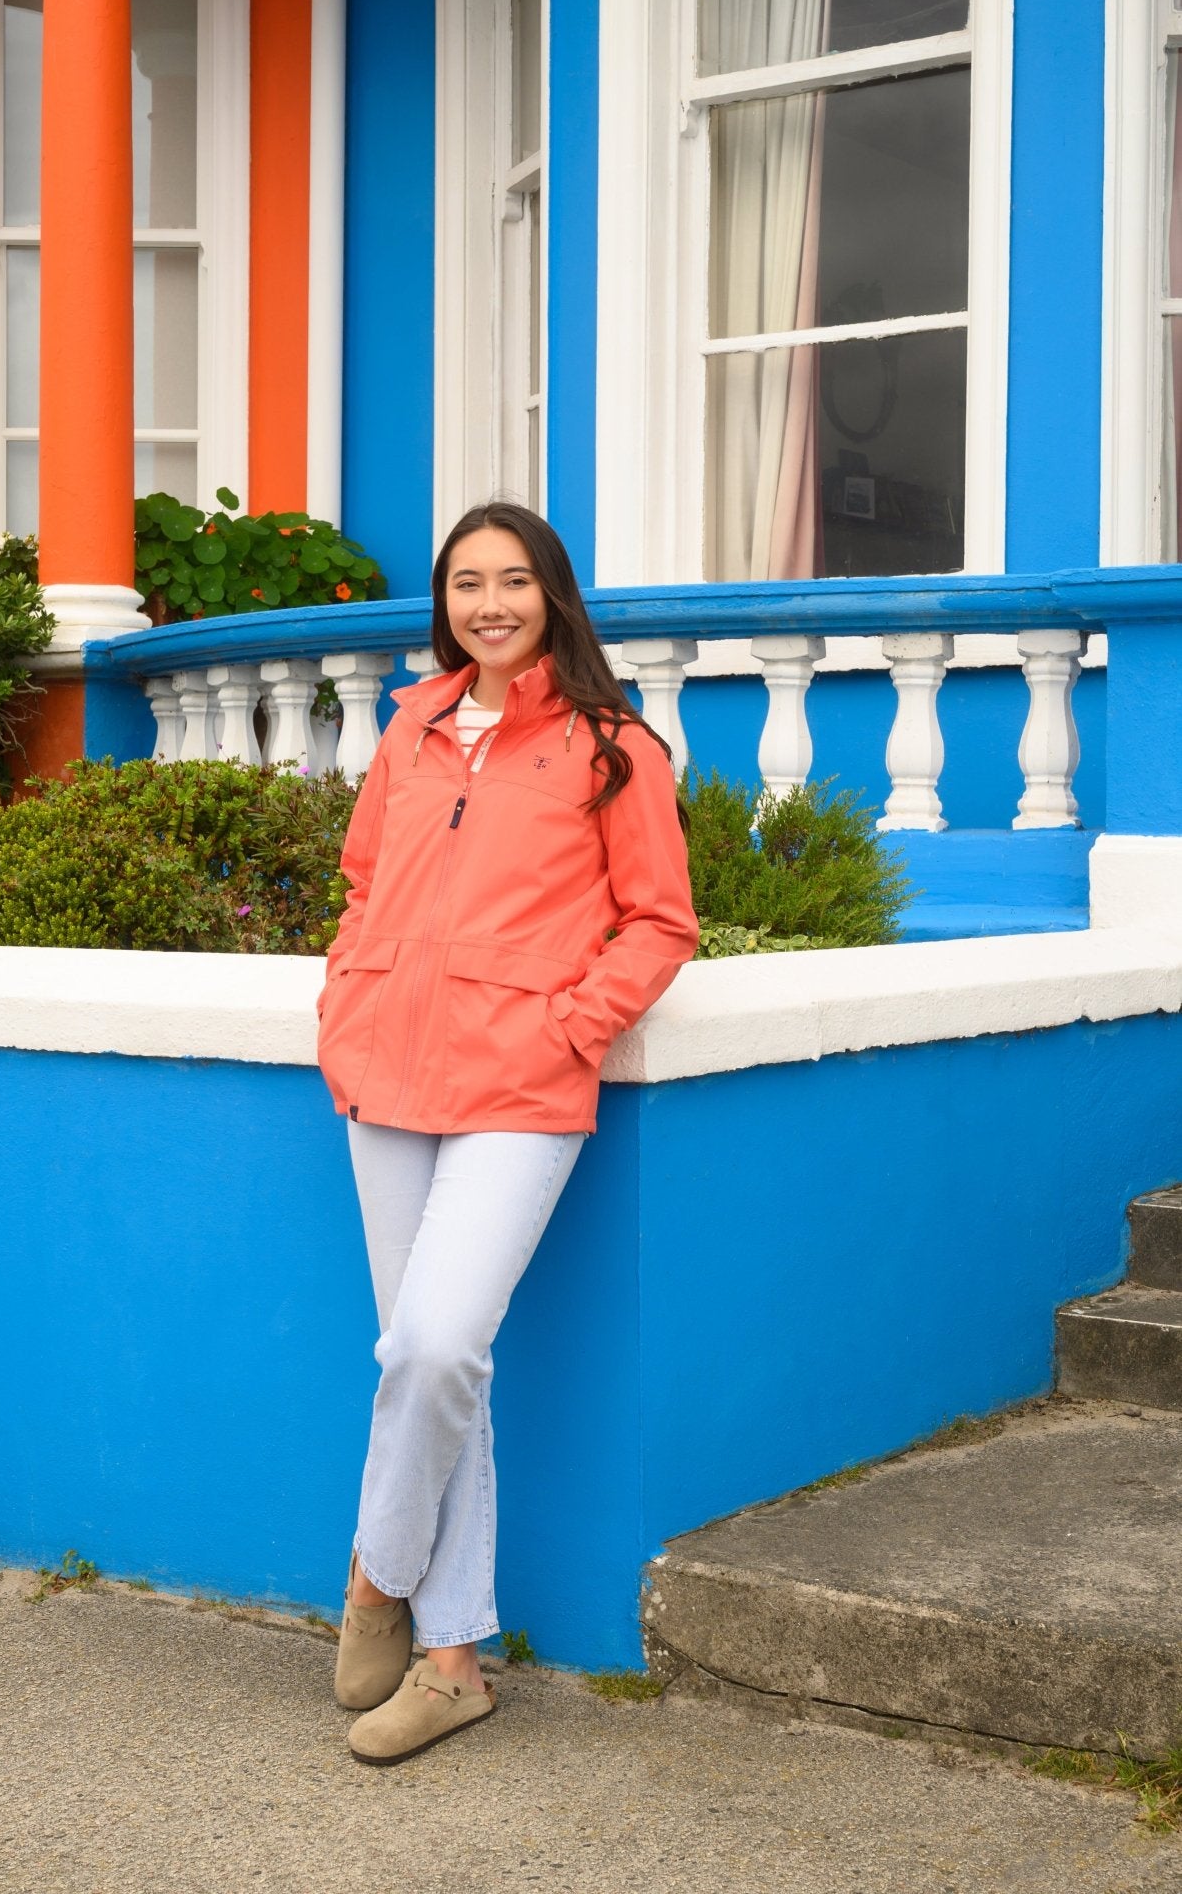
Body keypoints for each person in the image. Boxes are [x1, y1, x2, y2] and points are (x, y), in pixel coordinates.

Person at [315, 500, 699, 1766]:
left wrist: (571, 1026)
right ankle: (452, 1661)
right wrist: (344, 1003)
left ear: (553, 595)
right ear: (446, 602)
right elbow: (366, 881)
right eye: (467, 582)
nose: (489, 602)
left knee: (435, 1344)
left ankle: (377, 1569)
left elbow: (660, 920)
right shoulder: (412, 729)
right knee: (437, 1370)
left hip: (520, 1088)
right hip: (387, 1074)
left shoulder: (609, 744)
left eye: (513, 580)